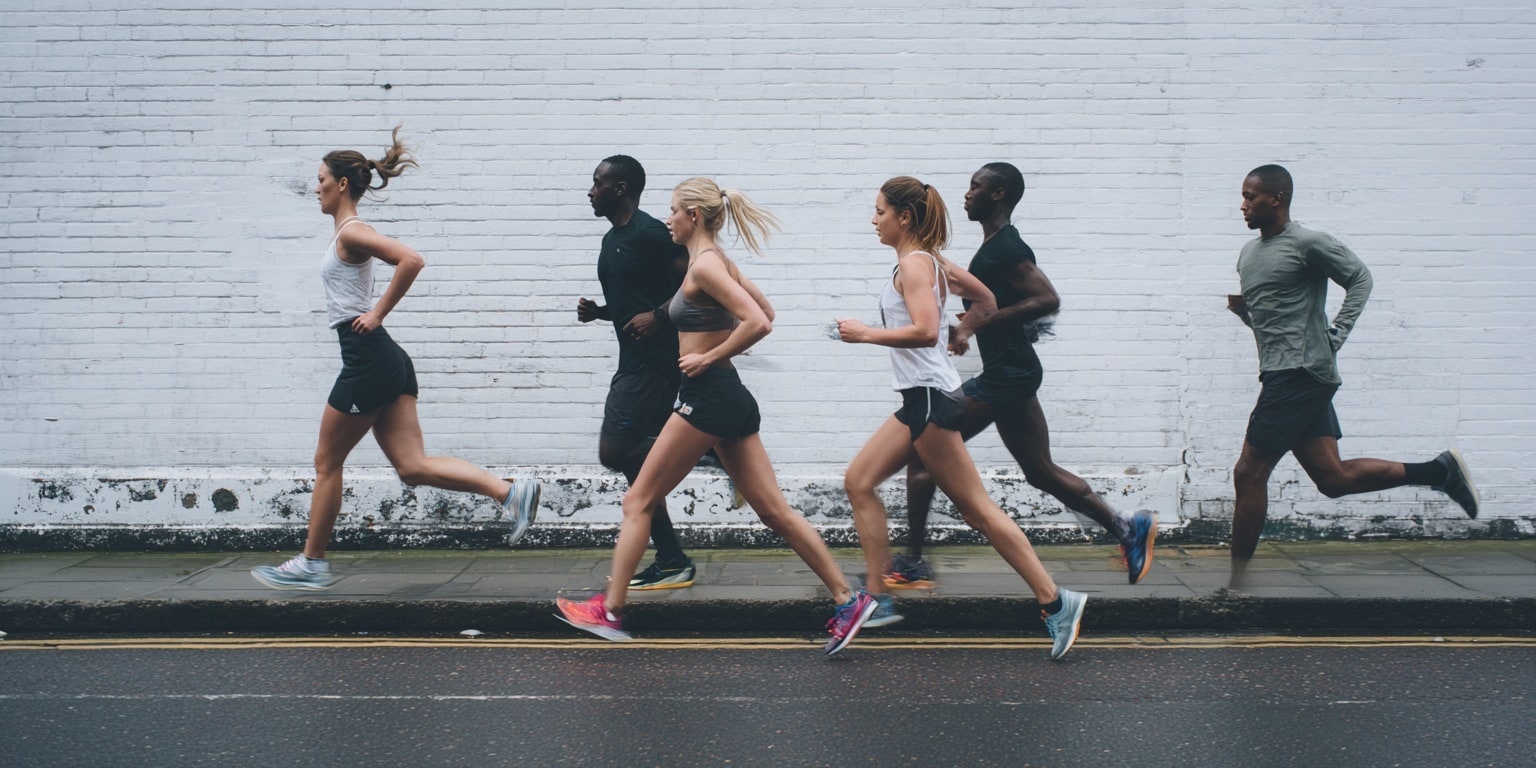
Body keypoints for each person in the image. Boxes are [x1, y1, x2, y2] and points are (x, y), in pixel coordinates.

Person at [557, 177, 878, 655]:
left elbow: (760, 321)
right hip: (727, 397)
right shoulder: (713, 264)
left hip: (707, 397)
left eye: (673, 211)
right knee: (775, 512)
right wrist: (718, 349)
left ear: (694, 217)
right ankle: (848, 601)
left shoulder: (706, 266)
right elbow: (763, 309)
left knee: (638, 501)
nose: (666, 219)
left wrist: (708, 357)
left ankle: (611, 610)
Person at [252, 128, 541, 591]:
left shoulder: (353, 232)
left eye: (321, 178)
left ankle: (312, 562)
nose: (316, 187)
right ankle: (509, 492)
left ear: (341, 184)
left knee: (327, 461)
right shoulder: (347, 234)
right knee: (411, 466)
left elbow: (411, 259)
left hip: (367, 357)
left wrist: (377, 312)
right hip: (385, 360)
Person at [836, 176, 1087, 660]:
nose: (874, 219)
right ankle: (877, 597)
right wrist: (965, 331)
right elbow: (987, 300)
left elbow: (926, 329)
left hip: (930, 401)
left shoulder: (914, 264)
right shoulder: (935, 263)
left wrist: (867, 334)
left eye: (880, 211)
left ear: (903, 218)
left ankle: (1056, 602)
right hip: (921, 398)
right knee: (859, 480)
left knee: (978, 511)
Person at [894, 163, 1156, 591]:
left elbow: (1046, 298)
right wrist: (965, 320)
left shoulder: (1007, 247)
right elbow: (985, 298)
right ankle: (1127, 528)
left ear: (997, 195)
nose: (967, 194)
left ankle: (911, 565)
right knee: (1039, 470)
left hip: (1006, 376)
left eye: (975, 187)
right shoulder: (995, 247)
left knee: (923, 457)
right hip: (1015, 373)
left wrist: (980, 322)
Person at [1226, 164, 1478, 587]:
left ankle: (1235, 586)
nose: (1243, 204)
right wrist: (1247, 315)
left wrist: (1337, 334)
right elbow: (1278, 322)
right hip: (1283, 372)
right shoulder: (1248, 255)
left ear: (1278, 198)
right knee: (1332, 479)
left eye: (1251, 197)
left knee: (1248, 473)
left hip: (1300, 375)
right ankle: (1439, 472)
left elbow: (1359, 278)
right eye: (1244, 196)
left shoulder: (1307, 243)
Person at [579, 155, 698, 590]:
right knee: (633, 465)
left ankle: (699, 441)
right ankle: (671, 558)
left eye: (597, 183)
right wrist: (602, 313)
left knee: (616, 449)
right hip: (632, 358)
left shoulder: (651, 233)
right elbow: (637, 296)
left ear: (621, 188)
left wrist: (659, 316)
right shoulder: (613, 239)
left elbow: (696, 280)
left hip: (656, 361)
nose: (590, 191)